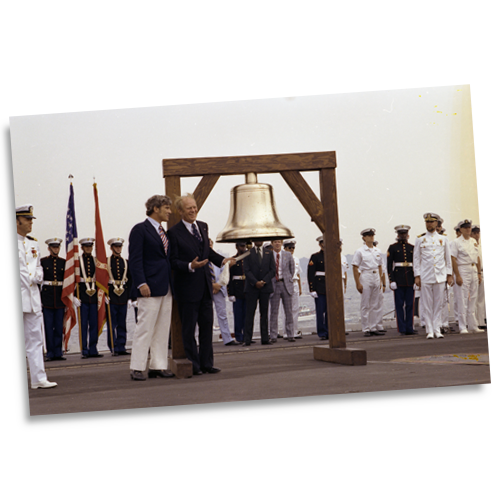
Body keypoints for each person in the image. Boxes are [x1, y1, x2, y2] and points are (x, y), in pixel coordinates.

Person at [167, 194, 235, 374]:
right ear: (181, 211)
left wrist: (223, 261)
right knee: (189, 330)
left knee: (206, 327)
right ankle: (194, 365)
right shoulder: (173, 233)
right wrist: (190, 266)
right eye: (189, 208)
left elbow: (207, 252)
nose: (193, 210)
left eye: (195, 207)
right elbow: (172, 261)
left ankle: (207, 363)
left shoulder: (203, 226)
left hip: (206, 287)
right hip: (187, 288)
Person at [128, 195, 175, 380]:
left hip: (166, 286)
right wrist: (141, 283)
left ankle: (158, 365)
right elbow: (135, 259)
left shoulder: (163, 232)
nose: (170, 212)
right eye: (167, 208)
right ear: (155, 208)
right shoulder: (140, 230)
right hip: (148, 287)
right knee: (145, 327)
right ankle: (137, 367)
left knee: (163, 328)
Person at [17, 205, 57, 389]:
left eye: (31, 219)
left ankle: (38, 378)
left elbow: (38, 267)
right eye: (27, 219)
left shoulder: (33, 244)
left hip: (33, 298)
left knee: (35, 339)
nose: (31, 222)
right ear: (17, 221)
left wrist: (38, 276)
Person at [413, 213, 454, 339]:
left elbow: (447, 258)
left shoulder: (444, 239)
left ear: (436, 224)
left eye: (431, 222)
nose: (429, 224)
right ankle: (429, 330)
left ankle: (437, 328)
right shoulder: (420, 239)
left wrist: (449, 274)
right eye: (427, 222)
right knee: (427, 304)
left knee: (438, 304)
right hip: (426, 276)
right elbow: (416, 259)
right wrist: (417, 276)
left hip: (440, 276)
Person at [450, 219, 482, 334]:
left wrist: (478, 273)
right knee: (462, 298)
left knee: (473, 298)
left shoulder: (473, 241)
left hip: (473, 269)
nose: (468, 229)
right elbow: (453, 258)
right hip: (462, 268)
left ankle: (473, 325)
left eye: (469, 227)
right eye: (465, 228)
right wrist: (457, 275)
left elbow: (477, 257)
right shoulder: (456, 242)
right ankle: (463, 326)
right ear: (461, 230)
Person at [352, 228, 384, 337]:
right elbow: (355, 267)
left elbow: (380, 266)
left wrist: (380, 280)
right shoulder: (360, 251)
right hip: (365, 275)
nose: (371, 237)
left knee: (374, 303)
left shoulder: (377, 251)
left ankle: (373, 326)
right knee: (365, 304)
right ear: (364, 238)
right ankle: (366, 328)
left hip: (375, 276)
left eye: (372, 235)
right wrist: (357, 283)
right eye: (369, 235)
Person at [243, 240, 276, 345]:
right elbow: (246, 270)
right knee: (249, 314)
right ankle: (247, 339)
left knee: (264, 314)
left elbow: (272, 270)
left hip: (265, 287)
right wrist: (255, 282)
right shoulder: (248, 253)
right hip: (252, 287)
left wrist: (264, 281)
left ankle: (265, 338)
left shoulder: (269, 253)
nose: (259, 241)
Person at [107, 237, 136, 355]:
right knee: (112, 323)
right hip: (111, 296)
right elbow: (103, 279)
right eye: (116, 246)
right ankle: (113, 347)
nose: (118, 249)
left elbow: (130, 280)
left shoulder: (126, 262)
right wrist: (104, 294)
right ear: (111, 248)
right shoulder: (107, 261)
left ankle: (121, 346)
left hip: (123, 295)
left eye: (120, 246)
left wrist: (130, 297)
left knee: (122, 323)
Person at [386, 225, 417, 335]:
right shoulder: (392, 247)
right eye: (401, 234)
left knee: (410, 304)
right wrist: (391, 280)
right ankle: (402, 328)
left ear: (407, 235)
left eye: (404, 234)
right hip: (398, 279)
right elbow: (389, 265)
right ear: (398, 235)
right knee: (399, 305)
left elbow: (416, 265)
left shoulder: (412, 248)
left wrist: (416, 279)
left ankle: (409, 327)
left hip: (410, 279)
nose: (403, 236)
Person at [209, 239, 240, 346]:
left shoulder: (219, 258)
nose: (209, 246)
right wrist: (211, 285)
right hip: (206, 288)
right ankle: (199, 339)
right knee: (205, 315)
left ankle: (227, 339)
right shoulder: (200, 259)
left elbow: (225, 273)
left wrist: (218, 285)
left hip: (219, 289)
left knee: (222, 315)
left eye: (210, 244)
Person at [40, 238, 67, 361]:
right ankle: (50, 352)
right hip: (47, 298)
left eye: (57, 247)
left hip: (60, 298)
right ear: (49, 248)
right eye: (53, 247)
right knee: (48, 327)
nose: (56, 249)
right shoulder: (43, 262)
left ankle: (58, 352)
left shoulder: (64, 262)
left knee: (58, 326)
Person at [78, 238, 103, 358]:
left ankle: (93, 349)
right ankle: (84, 349)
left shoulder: (96, 261)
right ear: (82, 248)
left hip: (93, 298)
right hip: (82, 297)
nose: (88, 248)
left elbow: (101, 278)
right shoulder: (78, 262)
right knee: (83, 325)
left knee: (94, 324)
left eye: (90, 246)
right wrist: (74, 297)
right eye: (86, 247)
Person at [269, 239, 295, 342]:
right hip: (274, 284)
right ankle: (273, 335)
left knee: (288, 311)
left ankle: (290, 334)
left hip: (285, 284)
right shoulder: (269, 255)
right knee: (274, 312)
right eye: (275, 242)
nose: (277, 243)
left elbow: (291, 270)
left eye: (279, 242)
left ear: (282, 243)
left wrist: (287, 280)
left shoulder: (287, 255)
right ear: (272, 243)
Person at [308, 235, 329, 340]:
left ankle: (330, 331)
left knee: (330, 311)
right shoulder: (315, 257)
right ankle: (322, 332)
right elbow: (311, 273)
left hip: (330, 286)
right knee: (321, 311)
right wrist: (312, 289)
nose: (324, 245)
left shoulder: (332, 255)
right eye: (323, 243)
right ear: (320, 244)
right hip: (320, 287)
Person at [227, 242, 249, 343]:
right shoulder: (233, 260)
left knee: (247, 315)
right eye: (241, 246)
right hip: (237, 290)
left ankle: (247, 336)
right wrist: (230, 293)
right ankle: (239, 336)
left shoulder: (248, 259)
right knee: (238, 315)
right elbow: (229, 278)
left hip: (247, 289)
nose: (243, 248)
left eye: (244, 246)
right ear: (236, 247)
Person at [284, 239, 302, 339]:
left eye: (293, 248)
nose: (291, 250)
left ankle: (294, 331)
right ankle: (286, 332)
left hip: (294, 283)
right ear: (285, 248)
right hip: (286, 284)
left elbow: (298, 274)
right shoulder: (283, 258)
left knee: (295, 309)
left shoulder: (296, 259)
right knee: (286, 309)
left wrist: (300, 288)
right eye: (289, 248)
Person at [471, 225, 486, 328]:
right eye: (474, 233)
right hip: (474, 272)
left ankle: (481, 321)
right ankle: (474, 321)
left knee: (482, 299)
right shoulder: (470, 245)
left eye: (478, 233)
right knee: (474, 298)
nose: (477, 235)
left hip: (482, 272)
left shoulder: (480, 245)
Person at [372, 240, 387, 333]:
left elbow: (383, 271)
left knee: (379, 304)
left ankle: (379, 325)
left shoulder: (379, 255)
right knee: (371, 305)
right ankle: (372, 325)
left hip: (379, 281)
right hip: (371, 280)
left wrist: (384, 284)